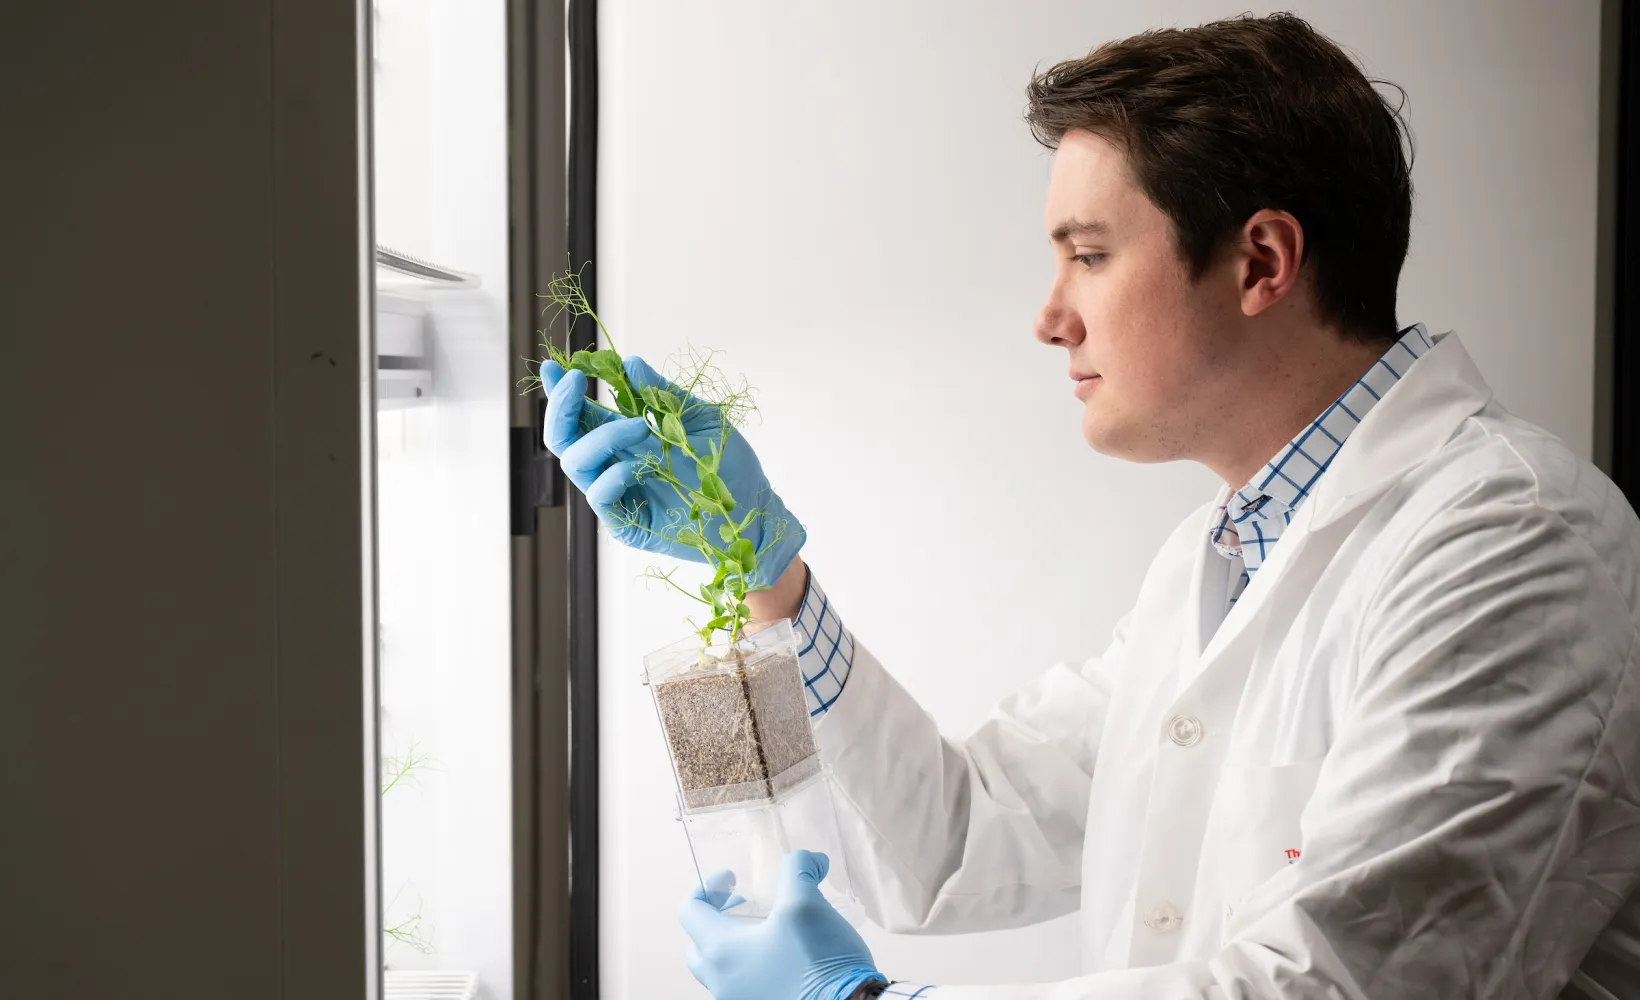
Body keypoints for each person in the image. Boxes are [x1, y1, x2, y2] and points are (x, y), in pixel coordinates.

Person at [541, 12, 1640, 1000]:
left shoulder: (1511, 540)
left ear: (1261, 261)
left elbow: (1341, 983)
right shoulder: (1219, 556)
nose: (1049, 318)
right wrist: (763, 571)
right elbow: (957, 842)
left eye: (1090, 255)